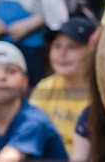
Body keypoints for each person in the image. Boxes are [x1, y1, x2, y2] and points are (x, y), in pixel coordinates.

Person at [29, 15, 95, 151]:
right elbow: (32, 131)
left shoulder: (100, 93)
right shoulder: (45, 87)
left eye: (72, 47)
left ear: (92, 51)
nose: (62, 53)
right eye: (56, 46)